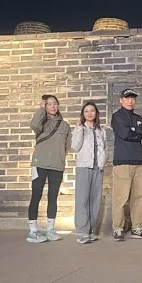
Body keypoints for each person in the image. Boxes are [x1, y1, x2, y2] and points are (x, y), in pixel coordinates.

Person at [111, 89, 142, 242]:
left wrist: (136, 130)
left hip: (138, 162)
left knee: (139, 197)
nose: (130, 101)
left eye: (133, 98)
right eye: (127, 98)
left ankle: (137, 227)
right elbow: (126, 134)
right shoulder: (117, 117)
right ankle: (118, 228)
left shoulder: (137, 117)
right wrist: (138, 131)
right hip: (122, 161)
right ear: (121, 100)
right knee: (121, 197)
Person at [27, 95, 71, 243]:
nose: (52, 106)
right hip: (40, 163)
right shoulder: (41, 122)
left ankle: (51, 229)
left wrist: (59, 157)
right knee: (36, 196)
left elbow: (67, 146)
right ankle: (33, 231)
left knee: (53, 197)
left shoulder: (65, 125)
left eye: (55, 103)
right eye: (49, 104)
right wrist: (40, 109)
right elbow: (34, 125)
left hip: (57, 165)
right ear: (45, 106)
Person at [71, 101, 107, 244]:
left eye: (92, 110)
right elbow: (75, 146)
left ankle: (92, 230)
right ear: (83, 114)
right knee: (82, 200)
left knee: (95, 200)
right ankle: (82, 232)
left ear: (96, 113)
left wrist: (103, 162)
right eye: (86, 111)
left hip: (98, 167)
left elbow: (104, 148)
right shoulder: (80, 128)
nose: (89, 113)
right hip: (84, 167)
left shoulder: (101, 131)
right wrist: (79, 129)